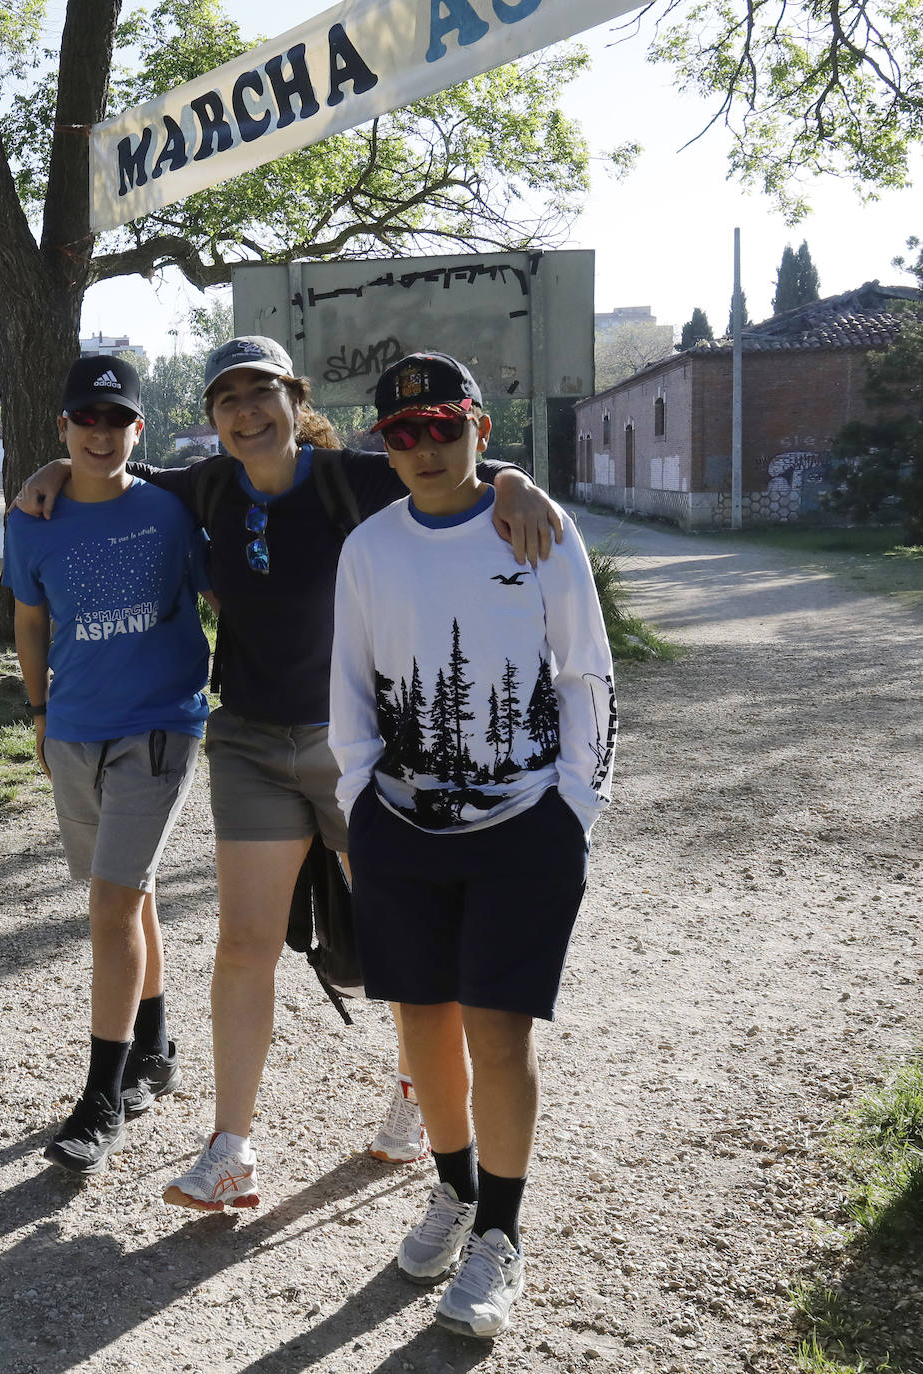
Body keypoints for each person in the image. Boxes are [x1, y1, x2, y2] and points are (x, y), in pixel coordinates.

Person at [16, 336, 562, 1210]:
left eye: (260, 393)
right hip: (250, 742)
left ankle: (422, 1095)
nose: (245, 412)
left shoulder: (357, 476)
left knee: (401, 942)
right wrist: (48, 465)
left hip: (362, 748)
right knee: (242, 945)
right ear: (213, 419)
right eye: (227, 399)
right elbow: (113, 465)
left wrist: (515, 482)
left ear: (292, 398)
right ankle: (231, 1148)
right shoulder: (210, 487)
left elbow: (453, 465)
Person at [329, 351, 616, 1337]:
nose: (421, 449)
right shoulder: (368, 548)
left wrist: (575, 802)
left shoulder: (535, 526)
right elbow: (353, 691)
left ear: (478, 431)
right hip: (399, 824)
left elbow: (585, 672)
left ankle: (499, 1233)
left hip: (523, 823)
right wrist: (358, 798)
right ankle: (449, 1192)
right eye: (400, 435)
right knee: (420, 1026)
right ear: (383, 445)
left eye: (442, 428)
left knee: (496, 1032)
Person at [3, 355, 211, 1177]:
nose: (100, 433)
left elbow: (230, 593)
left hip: (158, 728)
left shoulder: (170, 512)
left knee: (111, 903)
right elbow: (29, 620)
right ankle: (155, 1043)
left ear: (139, 428)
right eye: (84, 420)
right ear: (63, 429)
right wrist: (40, 713)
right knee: (133, 889)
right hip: (74, 728)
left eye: (115, 419)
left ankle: (101, 1095)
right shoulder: (34, 518)